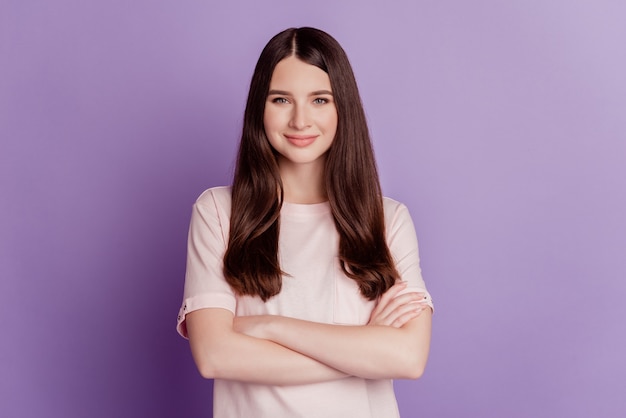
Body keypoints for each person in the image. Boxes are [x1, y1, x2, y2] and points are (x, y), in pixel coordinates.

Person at [176, 27, 434, 418]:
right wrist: (364, 348)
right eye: (281, 99)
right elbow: (213, 355)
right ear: (259, 108)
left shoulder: (387, 220)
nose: (300, 119)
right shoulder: (217, 212)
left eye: (320, 99)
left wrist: (268, 327)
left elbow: (409, 358)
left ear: (342, 107)